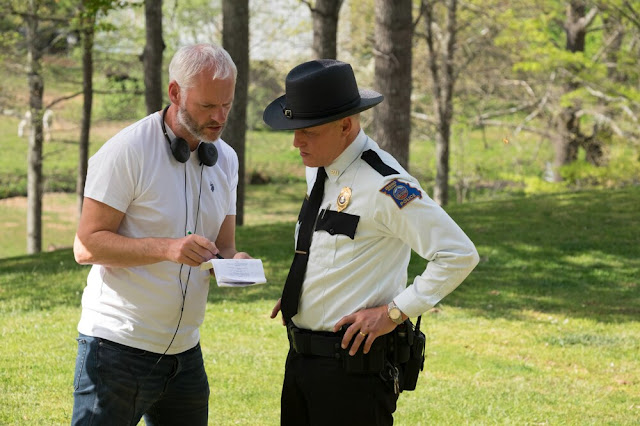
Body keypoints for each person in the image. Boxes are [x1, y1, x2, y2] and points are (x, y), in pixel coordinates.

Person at [264, 59, 480, 425]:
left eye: (308, 131)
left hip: (351, 374)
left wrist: (393, 313)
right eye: (295, 128)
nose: (296, 141)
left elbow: (458, 254)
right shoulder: (320, 167)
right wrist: (305, 289)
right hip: (301, 361)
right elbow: (331, 243)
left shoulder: (385, 184)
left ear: (345, 125)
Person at [71, 43, 251, 426]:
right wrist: (168, 248)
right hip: (116, 350)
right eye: (207, 106)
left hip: (186, 355)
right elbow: (86, 246)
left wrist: (235, 264)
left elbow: (225, 247)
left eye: (227, 105)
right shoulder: (127, 151)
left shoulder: (227, 159)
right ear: (175, 93)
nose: (220, 117)